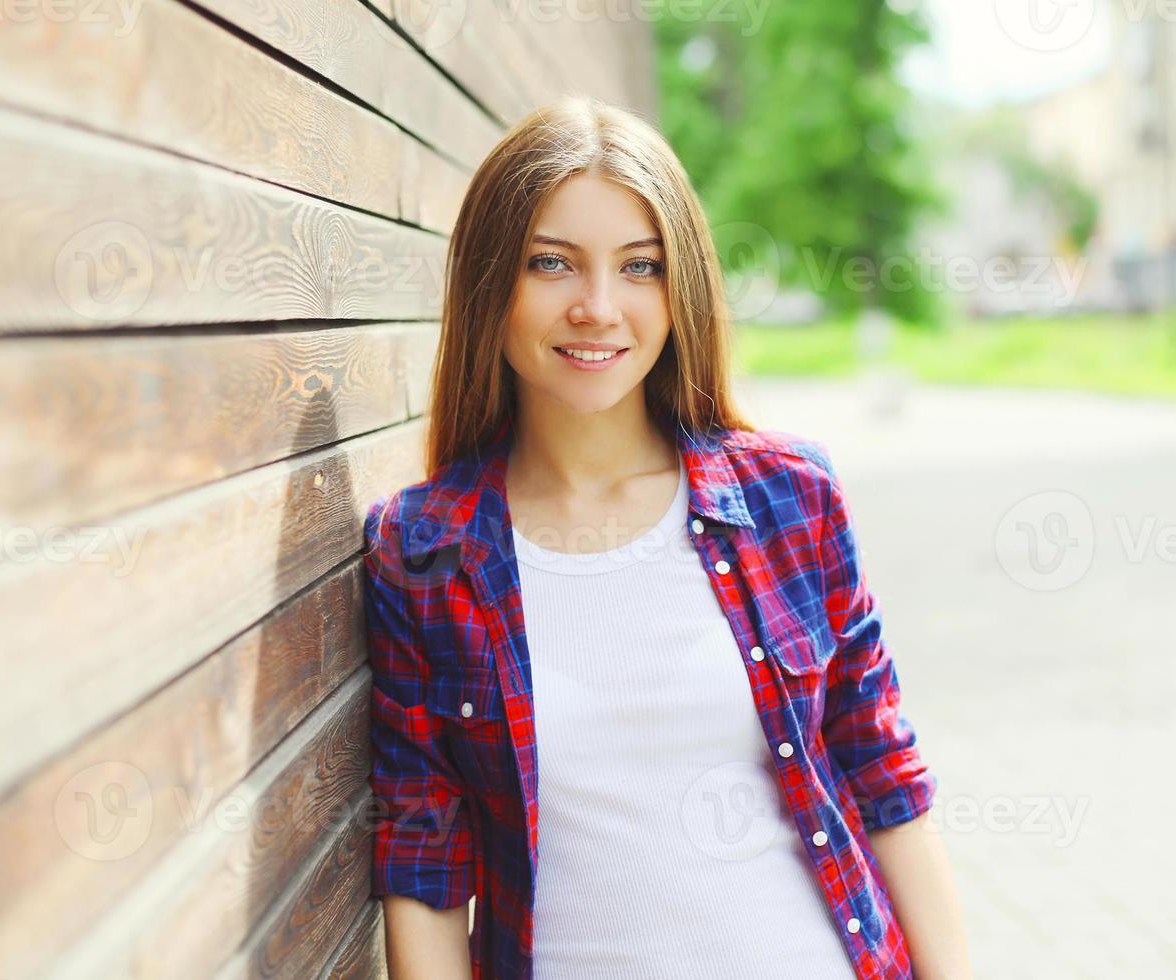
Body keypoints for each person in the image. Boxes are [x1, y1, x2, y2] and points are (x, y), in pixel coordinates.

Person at [363, 96, 971, 980]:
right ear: (491, 282)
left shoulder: (789, 499)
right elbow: (423, 866)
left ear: (680, 286)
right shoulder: (423, 552)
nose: (598, 307)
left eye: (639, 267)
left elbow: (883, 773)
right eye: (551, 264)